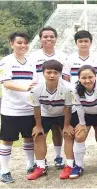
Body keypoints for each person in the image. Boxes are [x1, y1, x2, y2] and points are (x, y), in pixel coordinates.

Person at [27, 60, 77, 180]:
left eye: (55, 72)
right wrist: (38, 126)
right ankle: (40, 166)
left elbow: (68, 108)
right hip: (46, 113)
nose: (52, 75)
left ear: (60, 74)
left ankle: (69, 165)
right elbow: (36, 108)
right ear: (43, 73)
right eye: (48, 72)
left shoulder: (68, 88)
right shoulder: (36, 89)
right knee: (38, 136)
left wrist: (66, 125)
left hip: (65, 113)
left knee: (68, 135)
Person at [62, 30, 97, 163]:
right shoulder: (69, 59)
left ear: (90, 43)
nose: (83, 44)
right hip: (78, 100)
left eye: (86, 41)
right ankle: (76, 161)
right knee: (79, 132)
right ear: (76, 43)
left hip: (96, 101)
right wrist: (75, 93)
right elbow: (66, 78)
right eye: (80, 41)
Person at [0, 32, 37, 183]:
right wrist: (25, 88)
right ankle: (4, 171)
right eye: (19, 43)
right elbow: (6, 83)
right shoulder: (6, 61)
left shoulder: (31, 62)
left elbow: (34, 83)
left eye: (25, 43)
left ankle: (30, 165)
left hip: (28, 108)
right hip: (11, 109)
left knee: (29, 138)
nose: (23, 45)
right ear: (12, 44)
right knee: (7, 140)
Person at [28, 27, 68, 169]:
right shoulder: (33, 56)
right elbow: (31, 76)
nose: (49, 39)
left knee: (58, 130)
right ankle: (41, 162)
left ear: (56, 39)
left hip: (58, 98)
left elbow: (66, 76)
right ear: (40, 39)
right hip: (42, 98)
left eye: (52, 36)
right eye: (45, 36)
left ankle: (58, 156)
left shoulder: (62, 55)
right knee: (40, 133)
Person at [69, 65, 97, 179]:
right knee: (79, 136)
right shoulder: (74, 89)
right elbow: (79, 107)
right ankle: (78, 166)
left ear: (95, 76)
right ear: (78, 78)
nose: (87, 80)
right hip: (86, 113)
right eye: (83, 78)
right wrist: (82, 124)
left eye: (90, 77)